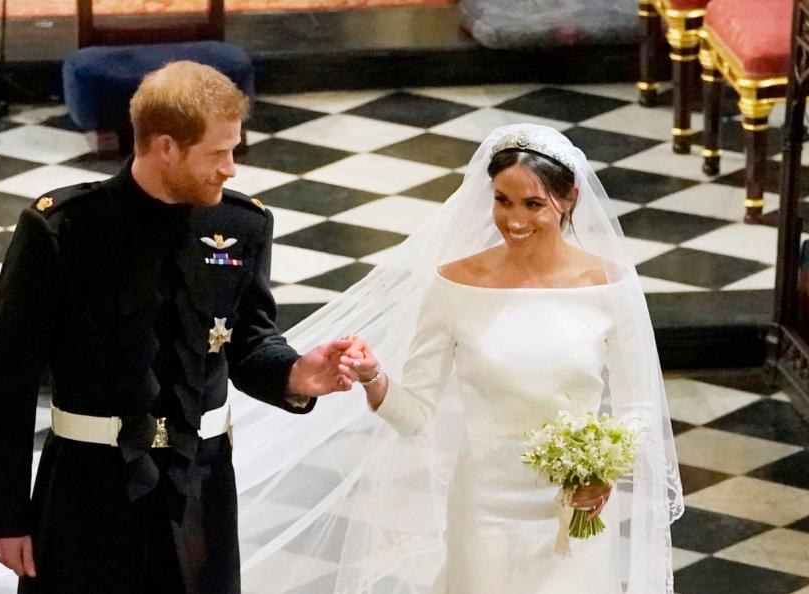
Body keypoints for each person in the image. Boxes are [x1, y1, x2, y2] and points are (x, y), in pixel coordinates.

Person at [235, 124, 683, 594]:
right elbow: (415, 415)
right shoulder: (453, 284)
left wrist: (602, 471)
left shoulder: (610, 285)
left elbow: (639, 408)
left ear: (569, 198)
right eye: (502, 200)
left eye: (533, 204)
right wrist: (374, 377)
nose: (514, 220)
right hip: (486, 509)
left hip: (576, 506)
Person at [0, 60, 358, 594]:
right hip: (88, 490)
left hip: (200, 490)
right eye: (218, 153)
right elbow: (5, 380)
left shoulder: (241, 225)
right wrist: (4, 515)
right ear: (165, 147)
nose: (231, 170)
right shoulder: (63, 229)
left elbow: (247, 342)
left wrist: (295, 374)